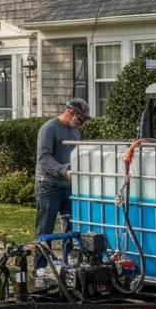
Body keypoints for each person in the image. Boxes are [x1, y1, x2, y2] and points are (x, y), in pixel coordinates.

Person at [33, 98, 89, 282]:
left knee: (70, 225)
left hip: (67, 186)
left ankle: (68, 262)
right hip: (48, 185)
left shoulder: (75, 131)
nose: (81, 123)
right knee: (45, 228)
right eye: (81, 119)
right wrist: (62, 170)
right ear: (71, 112)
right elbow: (44, 158)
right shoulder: (49, 129)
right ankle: (40, 266)